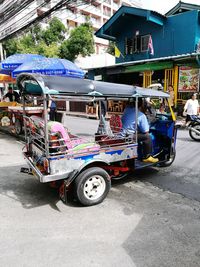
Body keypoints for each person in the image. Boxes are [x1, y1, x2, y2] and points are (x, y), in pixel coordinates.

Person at [121, 99, 158, 163]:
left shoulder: (126, 110)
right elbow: (146, 131)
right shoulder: (141, 115)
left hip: (122, 133)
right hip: (128, 136)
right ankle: (147, 156)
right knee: (147, 137)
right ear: (141, 105)